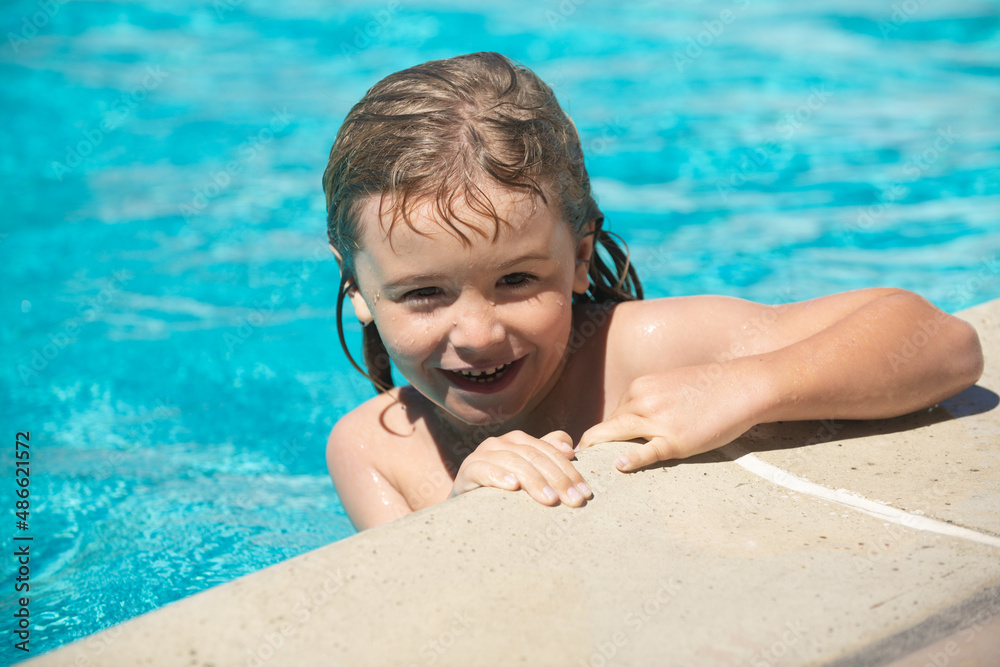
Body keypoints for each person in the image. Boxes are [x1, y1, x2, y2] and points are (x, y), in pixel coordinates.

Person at [322, 51, 984, 531]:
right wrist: (464, 516)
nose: (479, 333)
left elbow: (942, 343)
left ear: (579, 258)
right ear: (357, 290)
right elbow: (420, 623)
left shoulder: (645, 351)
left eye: (517, 280)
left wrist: (750, 384)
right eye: (425, 294)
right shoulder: (375, 450)